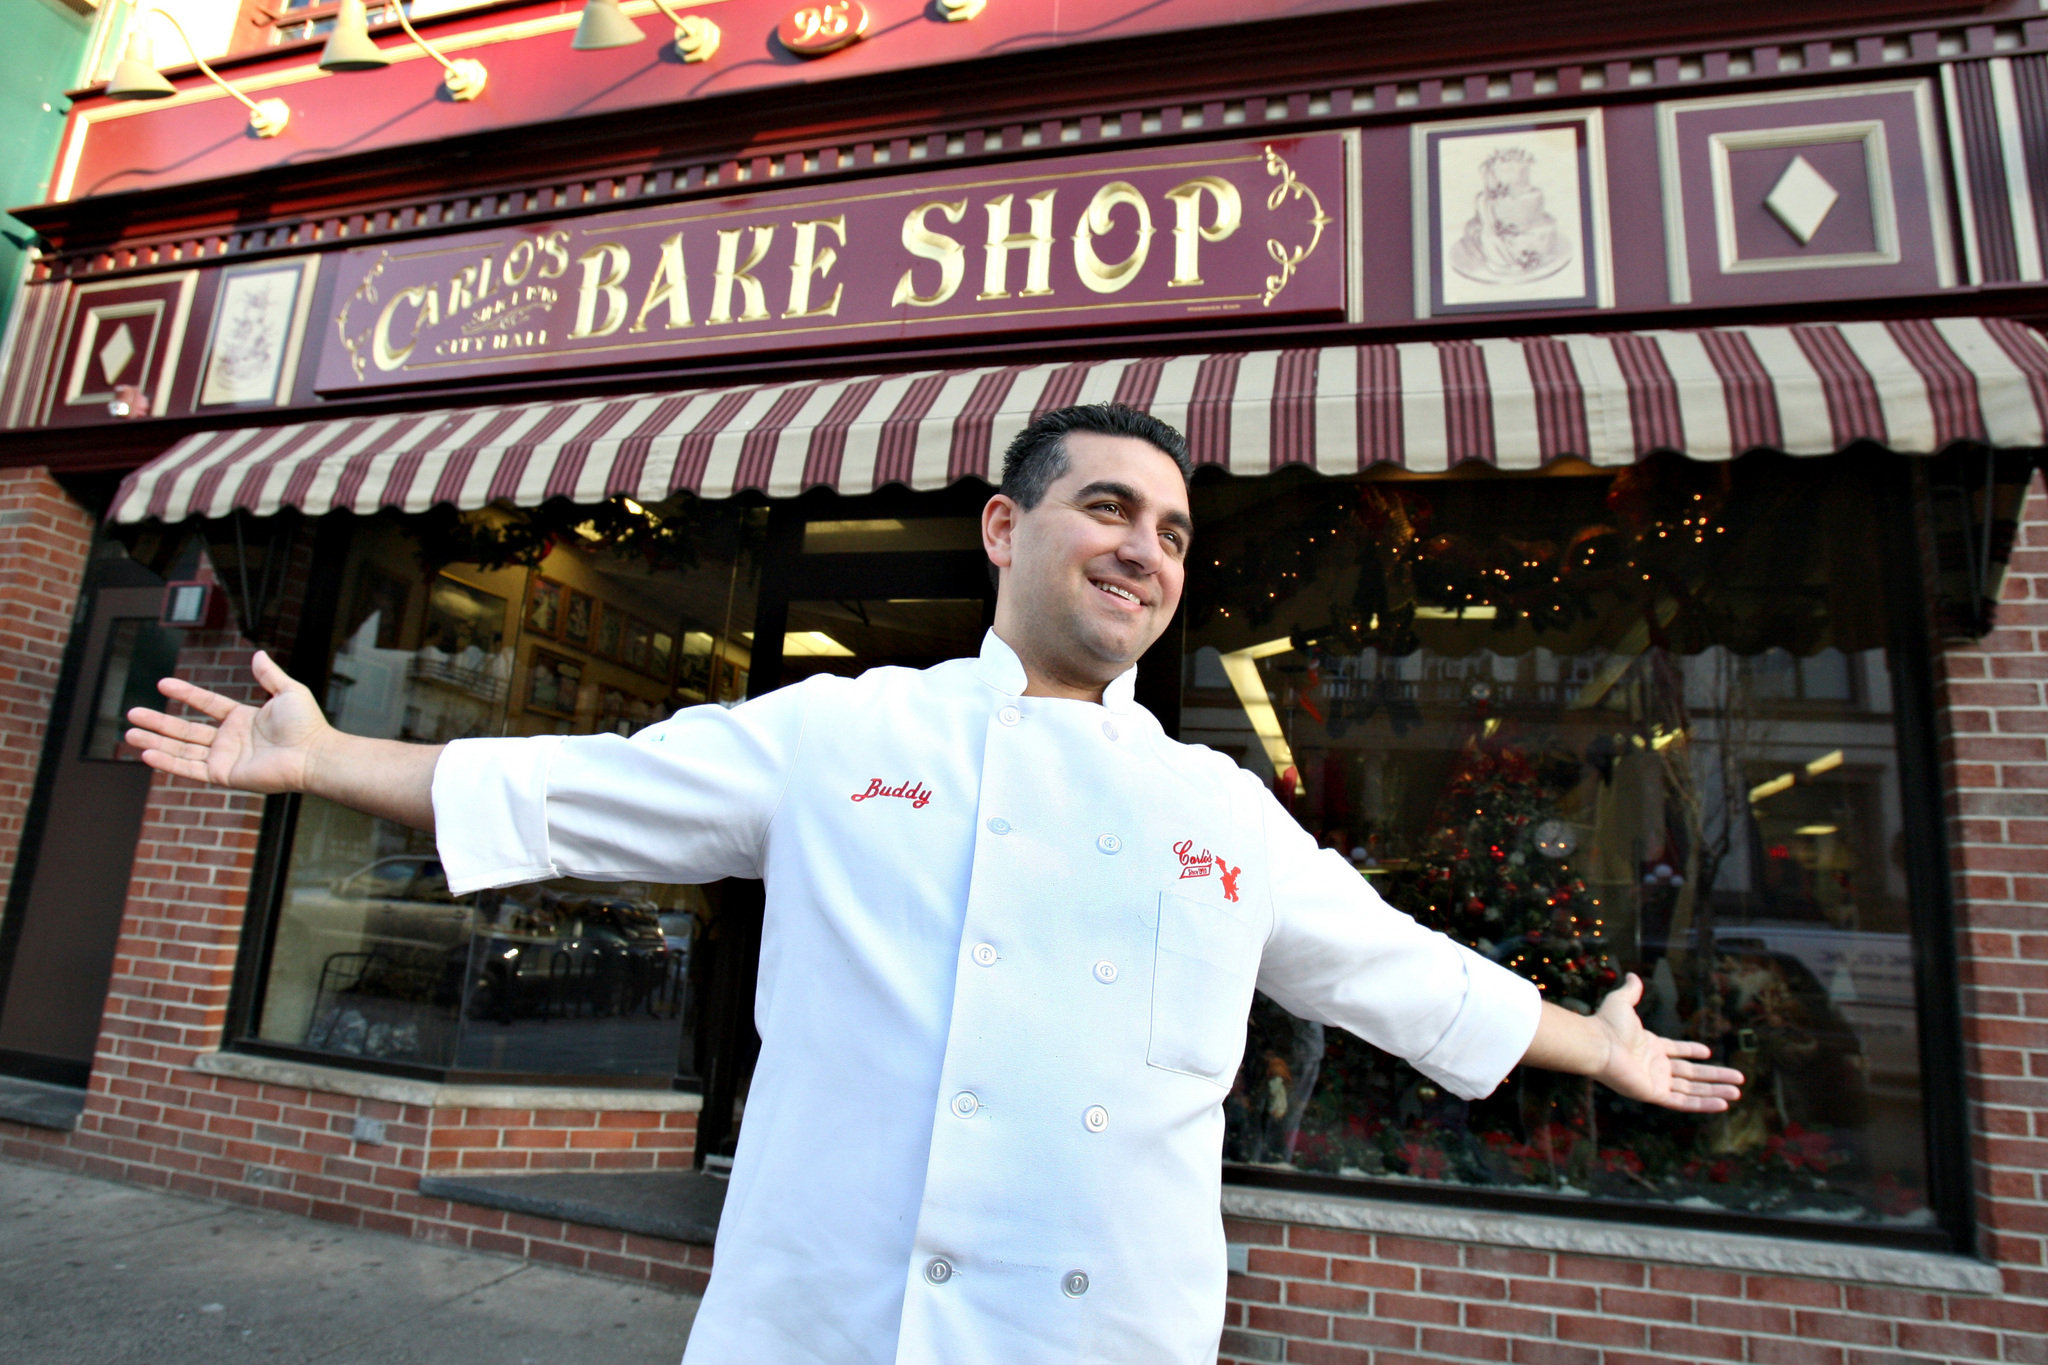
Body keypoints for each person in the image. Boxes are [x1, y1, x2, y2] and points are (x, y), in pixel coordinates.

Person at [127, 403, 1741, 1365]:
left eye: (1173, 531)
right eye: (1106, 506)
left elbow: (1394, 968)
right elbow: (572, 792)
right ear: (1001, 528)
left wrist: (1594, 1045)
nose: (1145, 550)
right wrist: (325, 759)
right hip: (827, 1324)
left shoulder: (1216, 805)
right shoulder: (844, 733)